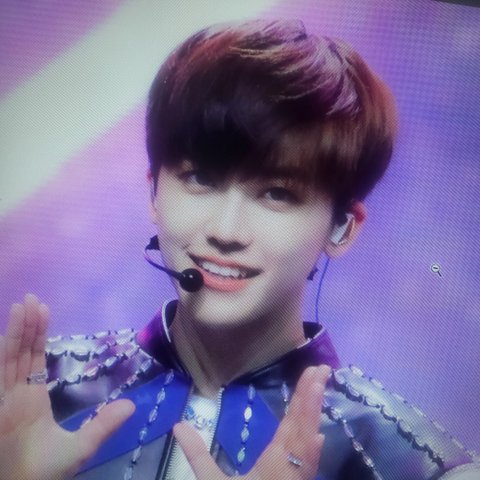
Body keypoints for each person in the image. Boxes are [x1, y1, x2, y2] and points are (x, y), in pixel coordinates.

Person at [1, 18, 478, 480]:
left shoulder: (410, 463)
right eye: (200, 178)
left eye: (277, 193)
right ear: (153, 193)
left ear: (342, 228)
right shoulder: (26, 397)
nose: (226, 231)